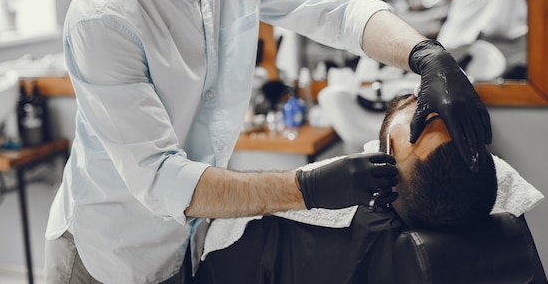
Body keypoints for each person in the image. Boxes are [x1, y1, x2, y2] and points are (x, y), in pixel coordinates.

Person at [44, 0, 491, 283]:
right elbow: (162, 179)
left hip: (193, 242)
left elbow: (336, 9)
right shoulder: (103, 21)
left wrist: (427, 55)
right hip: (110, 251)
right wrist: (306, 187)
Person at [194, 94, 497, 284]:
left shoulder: (263, 235)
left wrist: (306, 188)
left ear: (385, 157)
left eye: (424, 126)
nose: (423, 104)